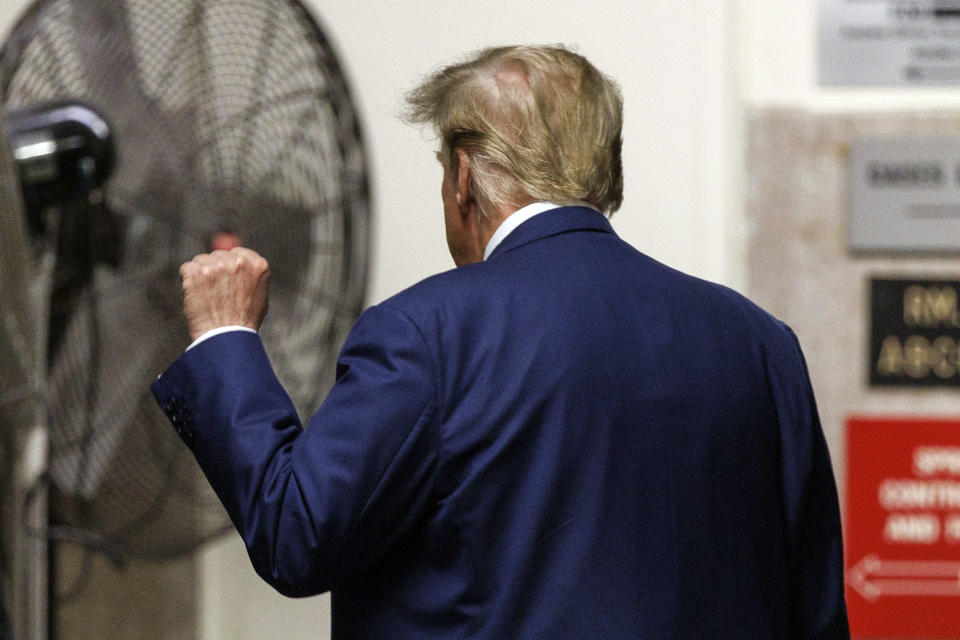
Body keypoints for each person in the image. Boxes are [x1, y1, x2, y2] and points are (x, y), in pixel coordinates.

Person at [152, 44, 849, 638]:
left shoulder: (426, 335)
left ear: (463, 178)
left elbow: (296, 534)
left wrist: (226, 338)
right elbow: (817, 613)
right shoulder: (760, 344)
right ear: (609, 170)